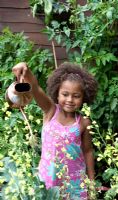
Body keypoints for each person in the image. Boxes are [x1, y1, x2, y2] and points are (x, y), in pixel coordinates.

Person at [12, 62, 98, 200]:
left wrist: (92, 183)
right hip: (48, 178)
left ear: (84, 97)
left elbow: (88, 151)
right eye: (65, 94)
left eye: (76, 96)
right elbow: (35, 88)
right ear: (57, 93)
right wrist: (26, 71)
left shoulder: (83, 123)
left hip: (74, 182)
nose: (70, 99)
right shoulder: (50, 111)